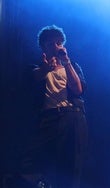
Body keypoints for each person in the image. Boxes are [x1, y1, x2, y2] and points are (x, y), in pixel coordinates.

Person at [17, 25, 88, 188]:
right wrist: (46, 68)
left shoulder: (73, 66)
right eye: (51, 44)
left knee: (72, 165)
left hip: (73, 117)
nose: (56, 47)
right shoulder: (36, 68)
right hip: (49, 118)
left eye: (59, 43)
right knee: (29, 161)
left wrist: (67, 62)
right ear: (43, 47)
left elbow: (78, 89)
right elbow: (33, 78)